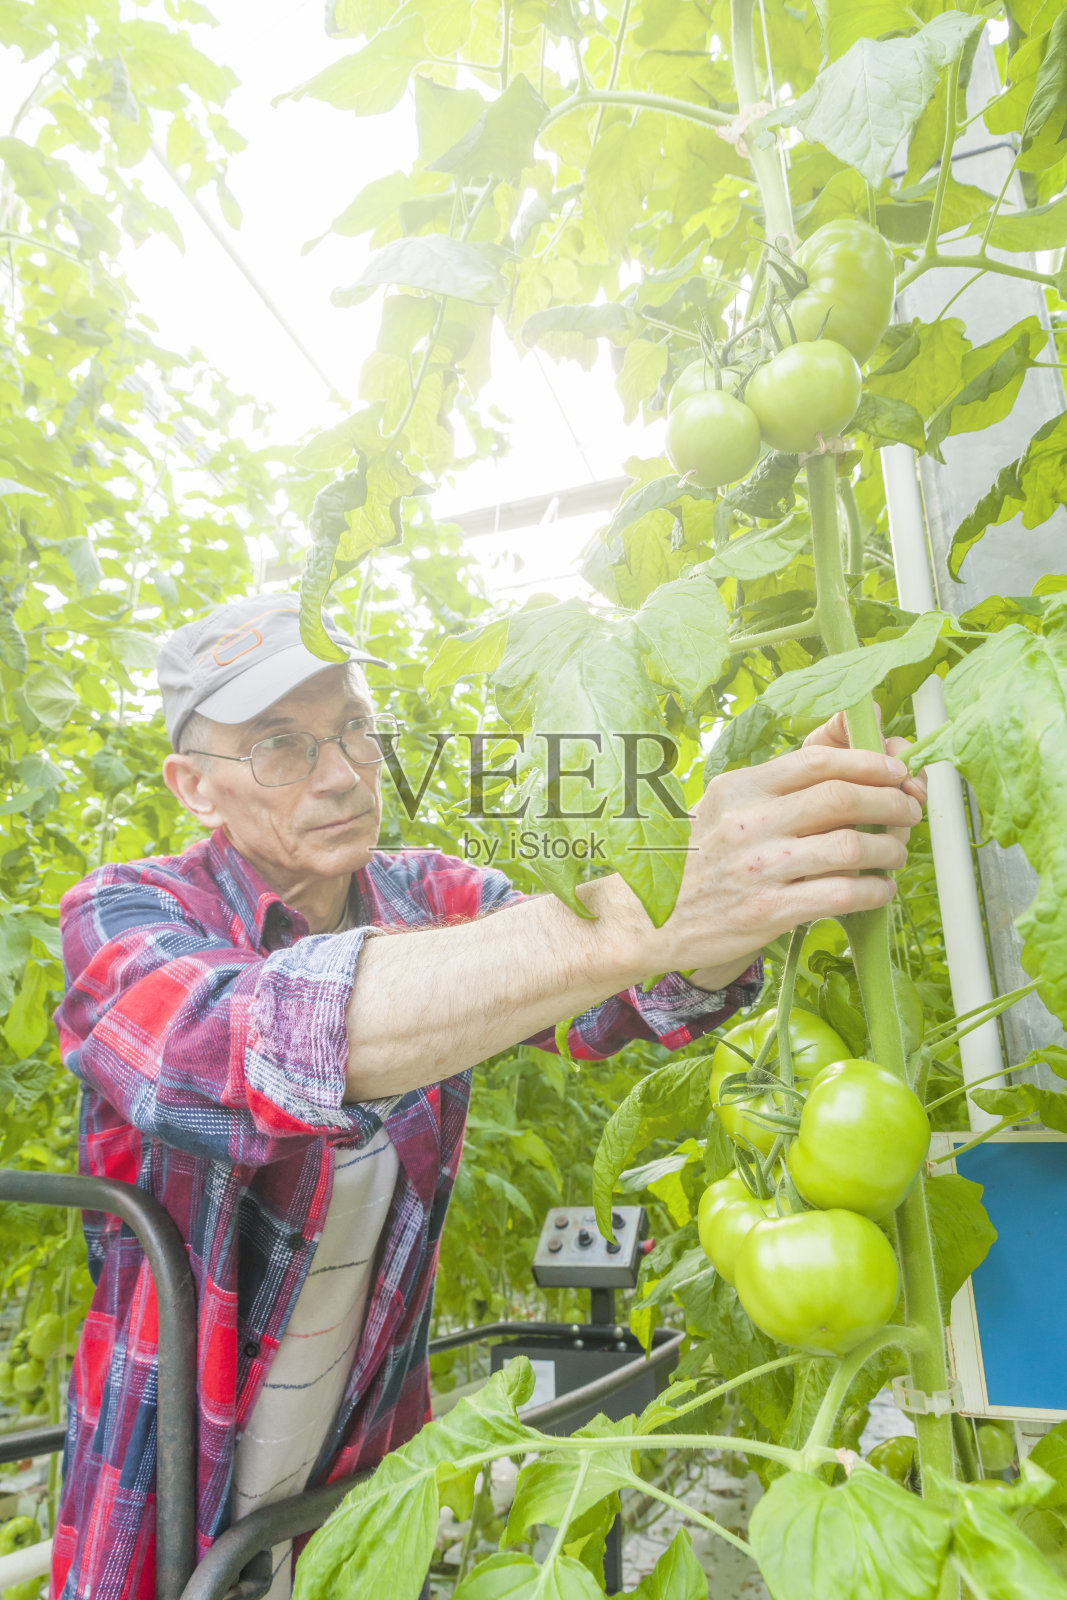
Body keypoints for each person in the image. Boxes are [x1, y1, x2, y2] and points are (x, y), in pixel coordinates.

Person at [50, 592, 927, 1600]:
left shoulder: (430, 893)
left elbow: (615, 1002)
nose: (340, 774)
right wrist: (658, 908)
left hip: (355, 1479)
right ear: (194, 786)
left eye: (353, 730)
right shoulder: (124, 912)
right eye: (282, 747)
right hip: (164, 1484)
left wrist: (764, 863)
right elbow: (241, 1042)